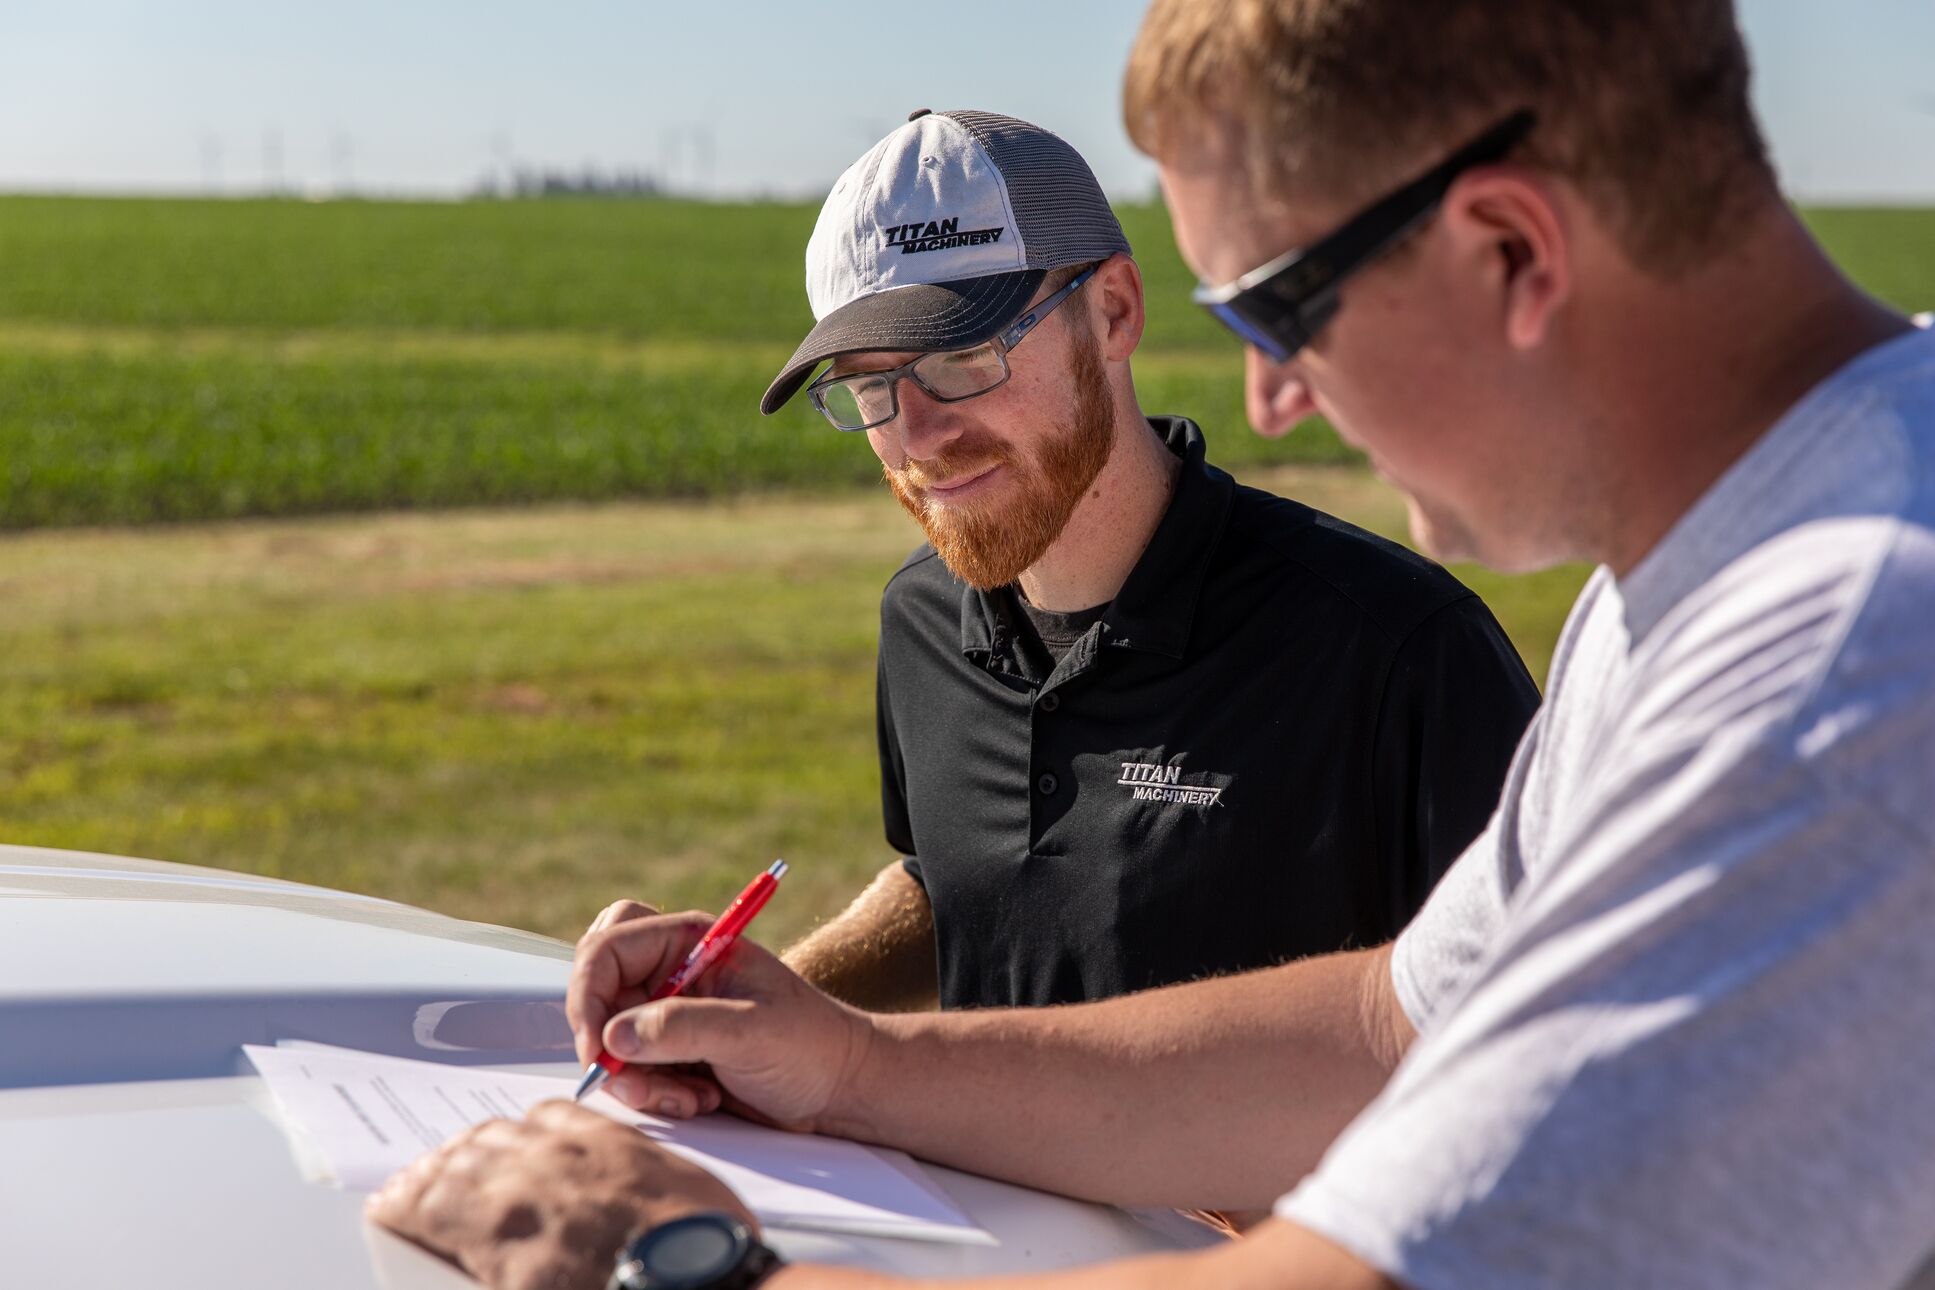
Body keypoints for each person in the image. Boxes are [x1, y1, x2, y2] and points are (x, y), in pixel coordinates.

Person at [369, 3, 1935, 1288]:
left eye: (1277, 313)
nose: (1270, 401)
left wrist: (677, 1261)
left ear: (1507, 247)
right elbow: (1393, 1022)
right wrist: (847, 1065)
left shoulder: (1850, 656)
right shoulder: (1710, 569)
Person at [743, 108, 1535, 1013]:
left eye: (961, 357)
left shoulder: (1398, 657)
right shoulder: (921, 621)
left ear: (1113, 310)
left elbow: (1530, 1040)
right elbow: (964, 886)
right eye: (868, 386)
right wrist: (764, 997)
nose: (916, 435)